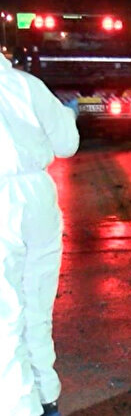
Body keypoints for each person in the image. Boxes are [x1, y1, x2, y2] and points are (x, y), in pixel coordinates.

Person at [0, 52, 79, 416]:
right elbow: (66, 144)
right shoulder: (26, 85)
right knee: (36, 306)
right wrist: (68, 115)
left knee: (5, 318)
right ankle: (47, 399)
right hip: (38, 199)